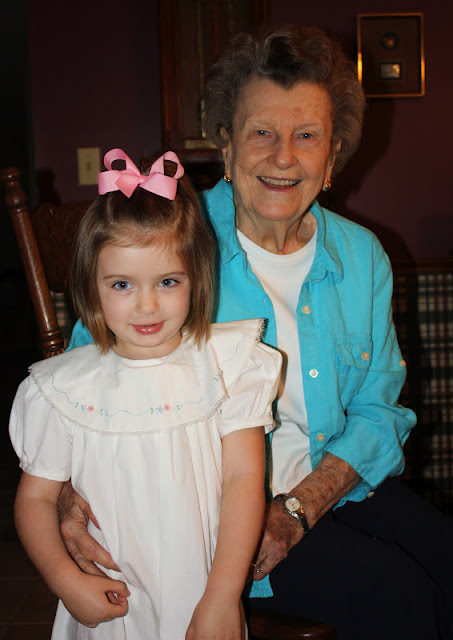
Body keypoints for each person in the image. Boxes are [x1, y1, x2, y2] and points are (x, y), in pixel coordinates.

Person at [60, 26, 453, 640]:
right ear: (225, 144)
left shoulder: (362, 256)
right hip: (216, 516)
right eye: (261, 132)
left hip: (330, 482)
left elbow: (379, 412)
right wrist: (69, 496)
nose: (283, 157)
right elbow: (84, 382)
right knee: (400, 597)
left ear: (333, 154)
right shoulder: (171, 240)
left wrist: (301, 506)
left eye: (307, 136)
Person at [9, 148, 282, 639]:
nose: (147, 305)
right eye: (122, 285)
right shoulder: (63, 390)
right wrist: (66, 580)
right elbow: (34, 500)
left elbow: (244, 479)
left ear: (197, 278)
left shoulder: (230, 367)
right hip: (111, 603)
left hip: (203, 596)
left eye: (168, 281)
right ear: (91, 287)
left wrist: (223, 597)